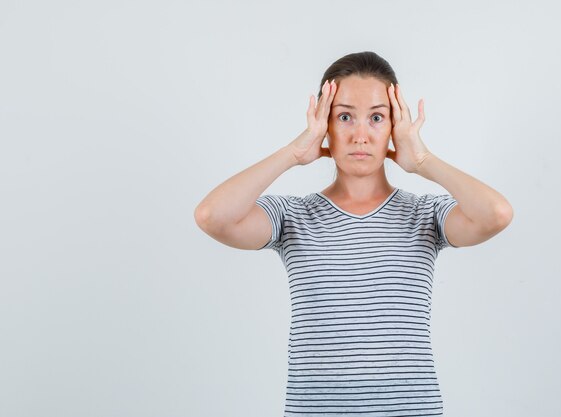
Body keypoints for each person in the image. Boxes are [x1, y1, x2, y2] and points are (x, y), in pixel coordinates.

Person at [194, 51, 513, 416]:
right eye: (344, 116)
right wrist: (294, 152)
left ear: (395, 126)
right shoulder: (292, 217)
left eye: (377, 117)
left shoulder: (425, 214)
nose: (360, 135)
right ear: (323, 124)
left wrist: (423, 162)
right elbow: (211, 217)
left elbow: (496, 214)